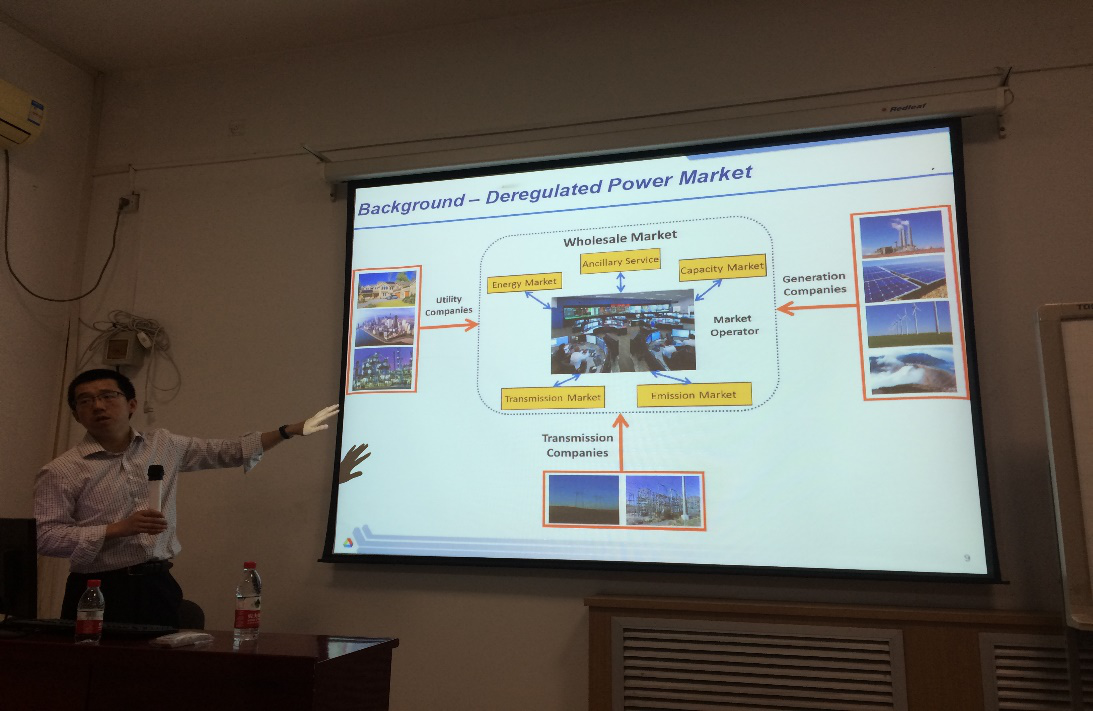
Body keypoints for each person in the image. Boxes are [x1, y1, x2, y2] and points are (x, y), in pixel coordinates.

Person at [34, 368, 339, 627]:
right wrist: (118, 529)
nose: (98, 406)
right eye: (85, 401)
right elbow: (45, 538)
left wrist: (288, 431)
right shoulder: (61, 471)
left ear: (131, 404)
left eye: (108, 396)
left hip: (157, 584)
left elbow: (229, 451)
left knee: (162, 672)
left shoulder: (164, 445)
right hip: (97, 589)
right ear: (76, 414)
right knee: (97, 673)